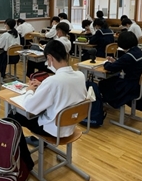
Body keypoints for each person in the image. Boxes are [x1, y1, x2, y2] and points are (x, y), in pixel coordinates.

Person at [8, 40, 87, 171]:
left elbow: (30, 107)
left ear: (50, 57)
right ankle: (39, 147)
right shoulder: (79, 75)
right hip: (72, 124)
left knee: (13, 116)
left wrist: (29, 90)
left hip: (54, 129)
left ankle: (25, 160)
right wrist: (42, 87)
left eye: (47, 59)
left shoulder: (53, 81)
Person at [99, 31, 142, 111]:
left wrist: (107, 63)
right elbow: (127, 64)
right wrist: (116, 61)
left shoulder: (129, 56)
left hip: (132, 87)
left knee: (104, 83)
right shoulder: (139, 52)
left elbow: (110, 67)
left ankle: (111, 102)